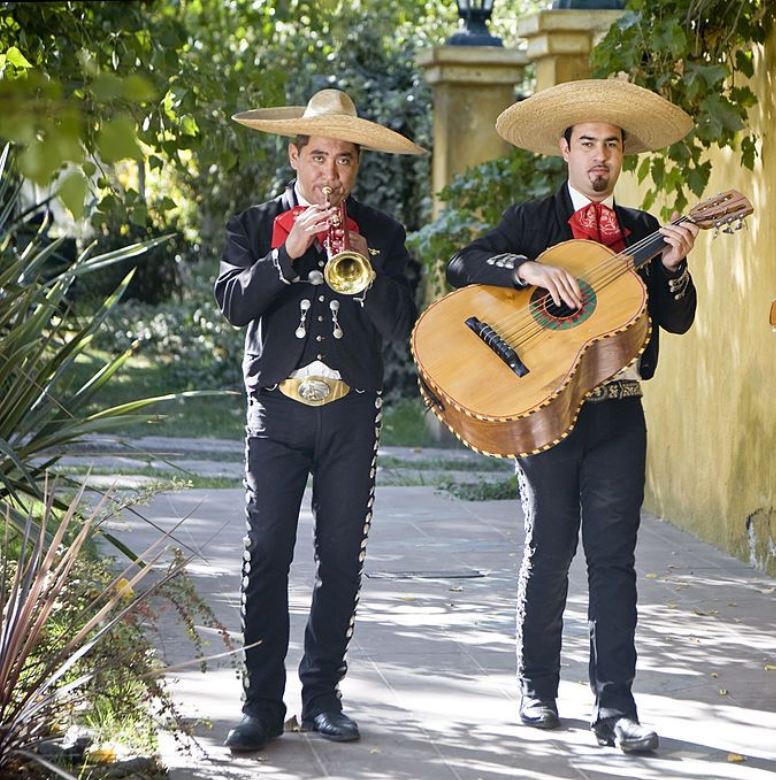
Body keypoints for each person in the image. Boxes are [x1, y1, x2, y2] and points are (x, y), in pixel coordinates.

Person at [446, 79, 699, 754]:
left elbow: (676, 319)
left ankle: (616, 707)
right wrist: (527, 270)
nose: (600, 158)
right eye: (587, 143)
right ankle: (537, 685)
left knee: (614, 561)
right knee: (550, 549)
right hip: (544, 412)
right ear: (565, 148)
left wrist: (673, 268)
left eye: (611, 145)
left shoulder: (644, 231)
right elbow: (463, 264)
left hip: (619, 414)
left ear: (623, 157)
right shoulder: (533, 219)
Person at [214, 88, 424, 752]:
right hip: (275, 414)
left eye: (343, 162)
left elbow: (403, 328)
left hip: (351, 414)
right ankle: (261, 704)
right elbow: (233, 303)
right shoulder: (252, 225)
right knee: (267, 553)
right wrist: (288, 255)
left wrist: (362, 267)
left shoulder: (383, 234)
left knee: (340, 558)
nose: (329, 176)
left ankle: (323, 696)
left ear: (356, 166)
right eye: (318, 158)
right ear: (294, 155)